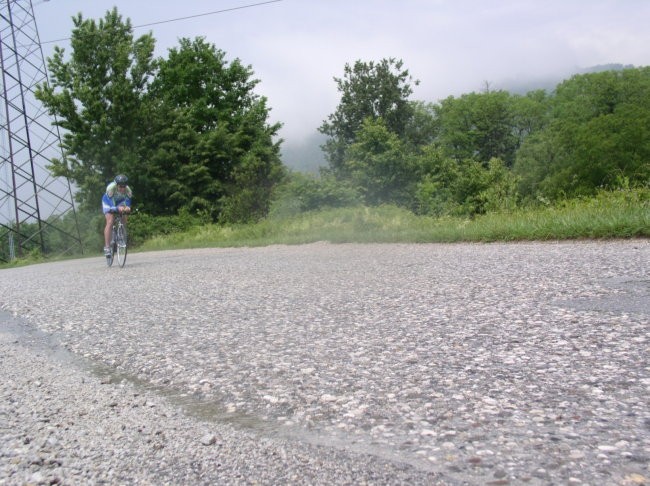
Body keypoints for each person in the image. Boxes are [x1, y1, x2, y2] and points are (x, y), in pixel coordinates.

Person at [102, 174, 132, 257]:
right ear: (116, 185)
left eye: (124, 186)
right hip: (108, 202)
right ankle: (107, 247)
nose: (122, 188)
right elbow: (111, 205)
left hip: (119, 202)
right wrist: (117, 209)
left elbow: (128, 203)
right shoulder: (111, 188)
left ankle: (121, 236)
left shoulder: (128, 191)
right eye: (120, 186)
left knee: (125, 216)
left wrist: (127, 208)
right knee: (110, 221)